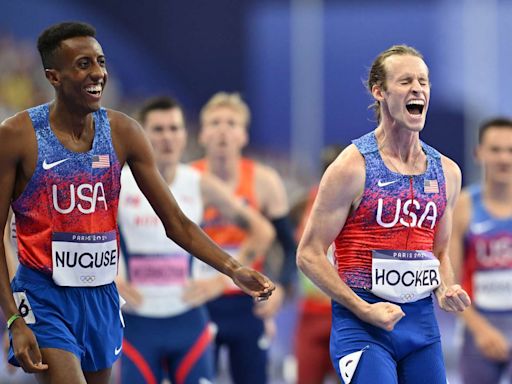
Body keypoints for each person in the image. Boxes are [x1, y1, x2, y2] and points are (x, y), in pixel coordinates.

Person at [0, 22, 274, 384]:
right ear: (53, 75)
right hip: (43, 296)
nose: (98, 73)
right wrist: (14, 320)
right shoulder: (17, 137)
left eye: (100, 61)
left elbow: (175, 221)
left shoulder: (124, 132)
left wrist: (232, 268)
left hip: (101, 298)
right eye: (83, 64)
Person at [297, 44, 471, 384]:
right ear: (379, 91)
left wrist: (446, 288)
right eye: (405, 81)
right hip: (362, 324)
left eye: (423, 81)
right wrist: (362, 309)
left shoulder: (447, 172)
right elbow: (308, 254)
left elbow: (438, 252)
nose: (417, 88)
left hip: (421, 328)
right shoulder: (351, 167)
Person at [116, 96, 275, 384]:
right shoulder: (118, 182)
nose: (167, 137)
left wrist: (223, 281)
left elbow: (262, 230)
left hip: (188, 321)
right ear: (143, 135)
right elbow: (85, 235)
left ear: (184, 136)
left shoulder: (198, 183)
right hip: (137, 322)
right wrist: (110, 278)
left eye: (174, 128)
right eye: (158, 129)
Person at [189, 92, 297, 384]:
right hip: (198, 301)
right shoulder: (186, 179)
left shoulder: (265, 181)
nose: (223, 130)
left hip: (248, 303)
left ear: (244, 135)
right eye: (215, 123)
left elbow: (289, 248)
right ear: (202, 134)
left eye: (231, 123)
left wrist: (283, 291)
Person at [450, 118, 512, 384]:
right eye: (495, 150)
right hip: (477, 330)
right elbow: (448, 282)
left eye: (510, 150)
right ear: (479, 153)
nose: (504, 158)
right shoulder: (463, 206)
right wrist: (480, 330)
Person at [293, 144, 344, 384]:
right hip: (310, 314)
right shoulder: (304, 204)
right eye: (327, 169)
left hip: (347, 313)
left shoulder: (364, 204)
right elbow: (282, 240)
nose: (331, 175)